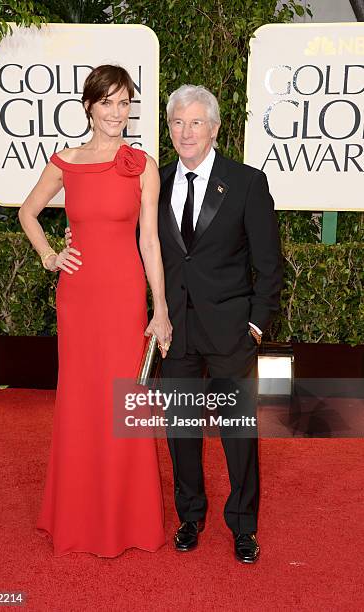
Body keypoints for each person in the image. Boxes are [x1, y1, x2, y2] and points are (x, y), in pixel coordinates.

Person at [65, 84, 283, 563]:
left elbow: (269, 263)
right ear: (168, 129)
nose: (186, 132)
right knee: (182, 431)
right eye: (177, 123)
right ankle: (190, 517)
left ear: (215, 128)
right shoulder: (154, 180)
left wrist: (256, 326)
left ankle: (243, 526)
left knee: (237, 434)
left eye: (196, 122)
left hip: (230, 332)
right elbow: (138, 245)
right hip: (174, 332)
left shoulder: (247, 182)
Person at [18, 64, 172, 558]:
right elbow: (27, 211)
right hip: (79, 297)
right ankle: (80, 518)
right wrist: (49, 254)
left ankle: (128, 518)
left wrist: (161, 308)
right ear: (89, 106)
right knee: (82, 401)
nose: (116, 112)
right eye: (107, 102)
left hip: (125, 297)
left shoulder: (142, 165)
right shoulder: (65, 161)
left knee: (124, 402)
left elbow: (150, 242)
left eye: (124, 102)